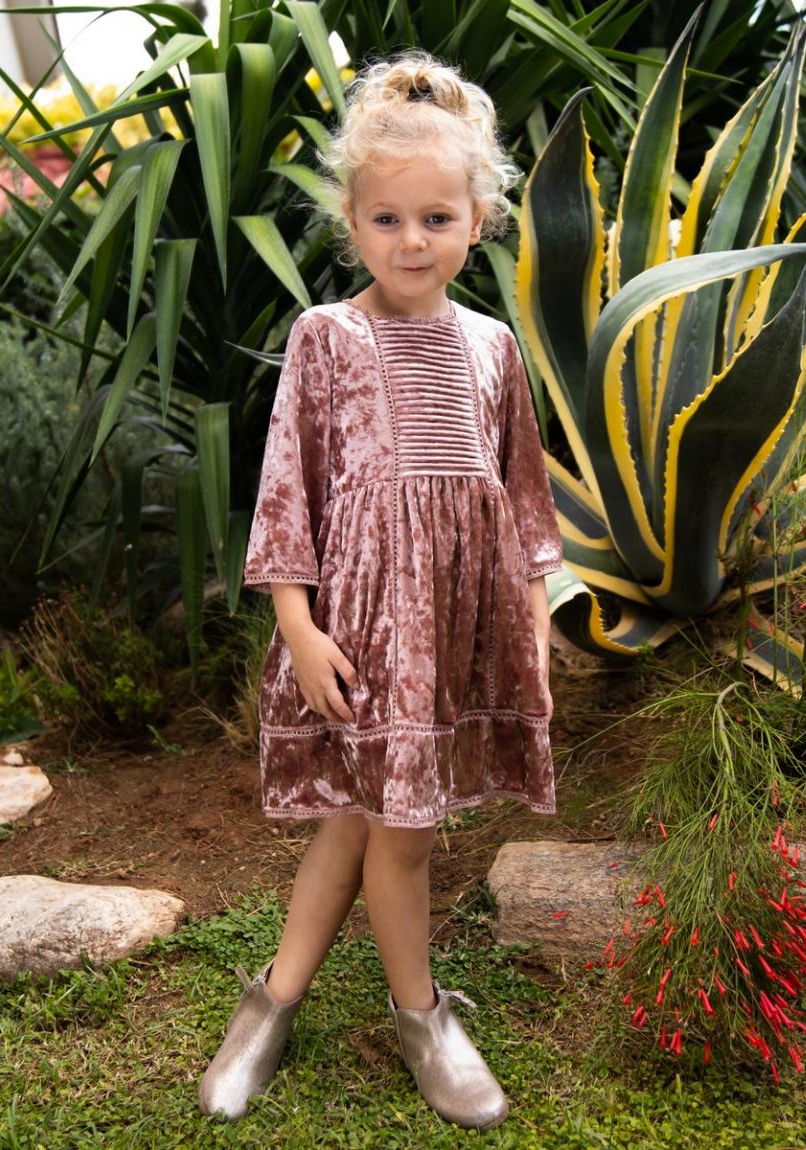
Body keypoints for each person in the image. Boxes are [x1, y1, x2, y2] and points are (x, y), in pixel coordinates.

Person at [198, 51, 562, 1132]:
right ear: (352, 224)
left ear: (477, 222)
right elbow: (287, 495)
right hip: (358, 635)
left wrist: (533, 634)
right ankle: (422, 1019)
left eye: (437, 219)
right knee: (397, 830)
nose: (413, 241)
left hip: (455, 637)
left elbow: (523, 504)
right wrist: (299, 629)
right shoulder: (327, 338)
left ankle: (271, 1003)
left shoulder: (494, 348)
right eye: (388, 219)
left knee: (365, 823)